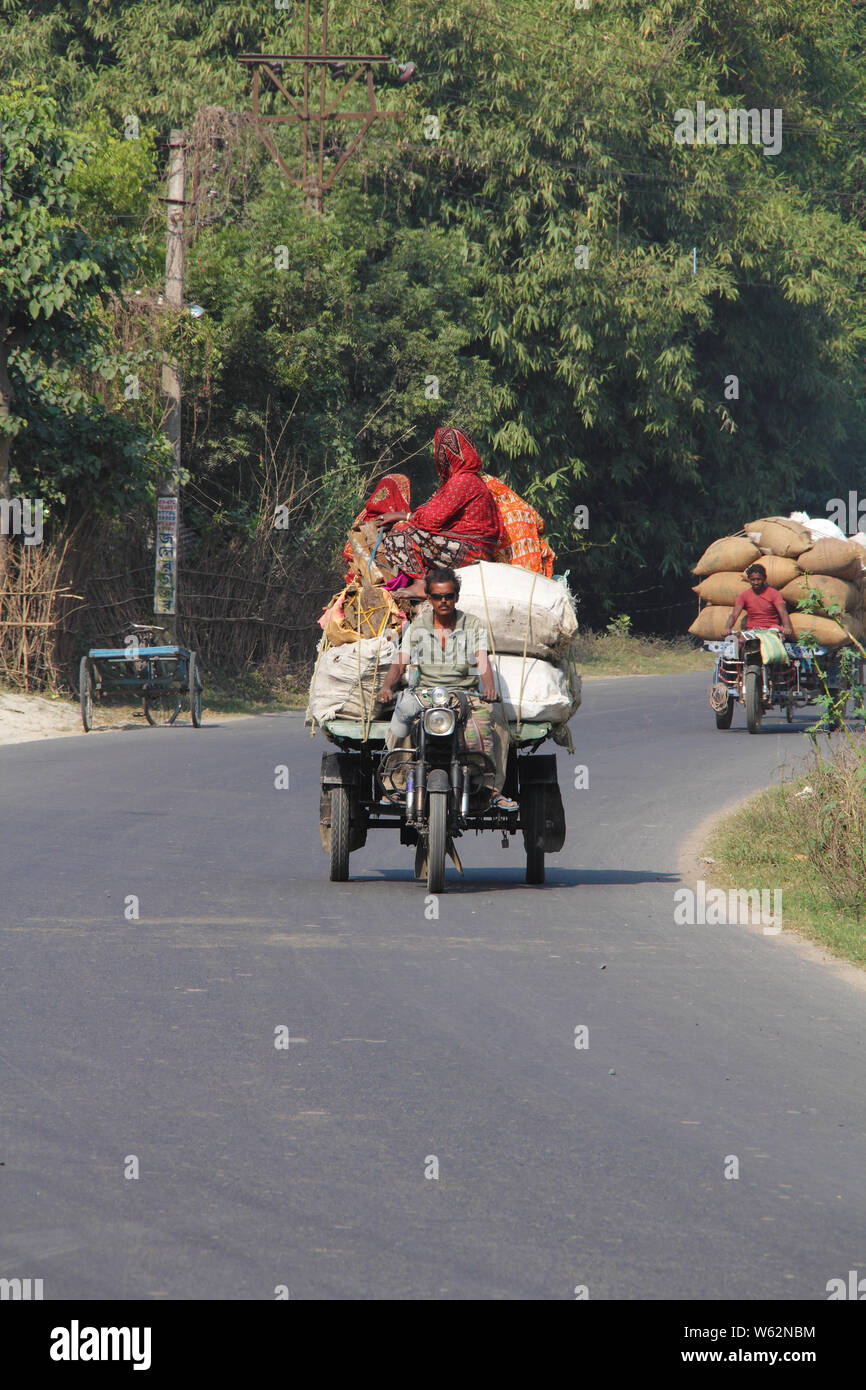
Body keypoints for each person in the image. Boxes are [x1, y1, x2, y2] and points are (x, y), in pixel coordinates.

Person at [376, 567, 517, 809]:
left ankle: (491, 790)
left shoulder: (472, 624)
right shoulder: (418, 627)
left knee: (494, 725)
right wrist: (387, 687)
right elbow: (400, 663)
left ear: (456, 597)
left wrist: (490, 688)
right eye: (438, 597)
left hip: (464, 695)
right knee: (400, 721)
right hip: (426, 694)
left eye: (449, 596)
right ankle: (396, 786)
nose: (444, 601)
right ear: (429, 599)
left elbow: (482, 660)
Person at [380, 427, 504, 598]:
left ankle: (420, 584)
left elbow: (431, 520)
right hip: (474, 547)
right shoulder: (470, 480)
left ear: (446, 454)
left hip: (468, 550)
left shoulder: (462, 481)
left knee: (401, 531)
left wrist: (401, 516)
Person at [342, 473, 411, 583]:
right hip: (386, 579)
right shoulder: (400, 523)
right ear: (400, 493)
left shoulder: (364, 516)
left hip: (360, 576)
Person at [482, 474, 556, 577]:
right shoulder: (522, 505)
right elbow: (541, 525)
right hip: (535, 569)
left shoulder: (493, 515)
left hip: (511, 571)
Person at [723, 563, 795, 640]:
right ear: (749, 579)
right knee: (739, 641)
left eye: (758, 579)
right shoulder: (744, 596)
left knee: (772, 642)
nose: (756, 582)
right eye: (753, 580)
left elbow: (783, 612)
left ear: (764, 578)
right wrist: (727, 628)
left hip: (771, 629)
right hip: (752, 630)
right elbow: (734, 615)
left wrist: (787, 627)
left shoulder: (774, 593)